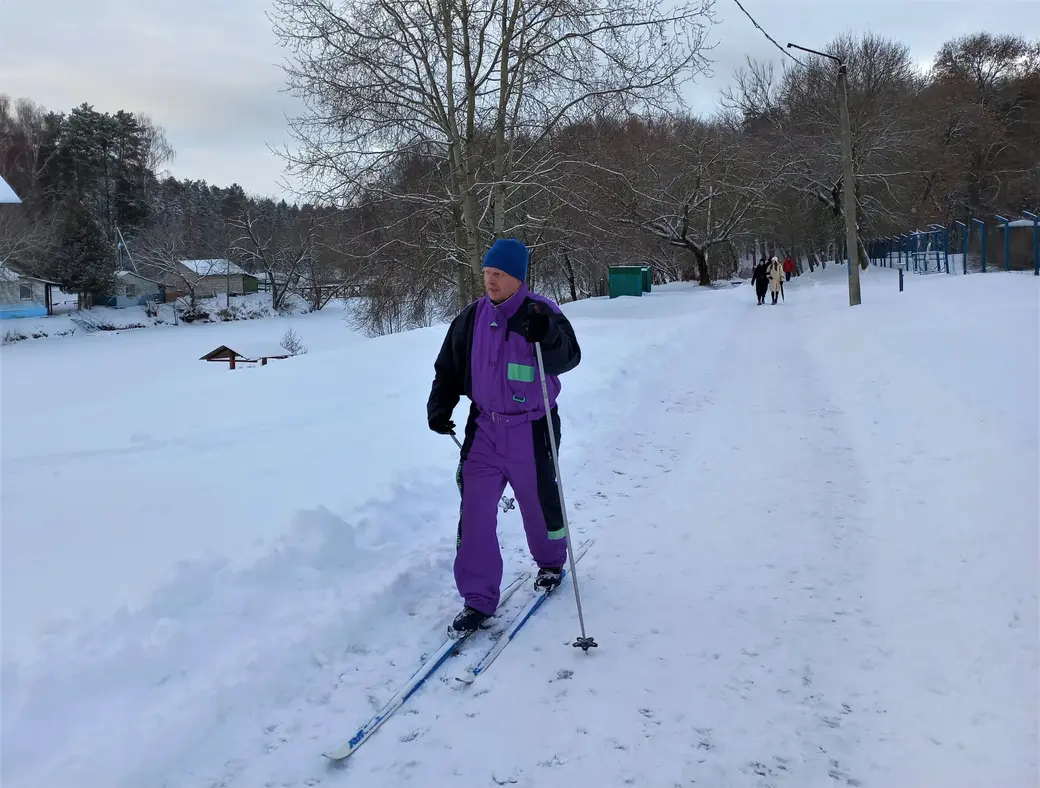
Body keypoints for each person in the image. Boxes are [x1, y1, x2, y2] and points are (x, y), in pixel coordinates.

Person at [426, 238, 582, 637]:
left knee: (538, 504)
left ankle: (551, 561)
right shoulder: (471, 317)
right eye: (487, 273)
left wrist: (547, 335)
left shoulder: (541, 312)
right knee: (475, 513)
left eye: (499, 274)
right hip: (485, 430)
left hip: (532, 429)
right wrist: (440, 407)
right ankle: (477, 598)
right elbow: (447, 368)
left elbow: (569, 357)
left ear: (518, 278)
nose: (490, 280)